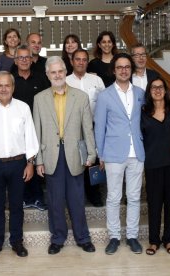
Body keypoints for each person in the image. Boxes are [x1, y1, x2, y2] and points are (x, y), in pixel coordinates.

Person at [33, 56, 96, 255]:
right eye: (53, 72)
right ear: (47, 75)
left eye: (60, 71)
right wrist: (38, 160)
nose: (57, 75)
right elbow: (37, 130)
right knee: (55, 200)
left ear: (65, 72)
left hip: (75, 154)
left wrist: (92, 154)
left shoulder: (81, 96)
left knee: (77, 199)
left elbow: (88, 128)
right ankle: (57, 238)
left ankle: (83, 238)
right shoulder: (39, 98)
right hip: (51, 155)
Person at [0, 71, 39, 259]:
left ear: (13, 87)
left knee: (17, 205)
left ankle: (17, 242)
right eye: (0, 86)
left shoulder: (23, 108)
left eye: (7, 85)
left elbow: (30, 137)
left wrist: (30, 163)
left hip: (18, 164)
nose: (4, 89)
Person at [94, 53, 145, 255]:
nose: (124, 70)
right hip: (113, 153)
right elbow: (99, 127)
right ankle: (114, 237)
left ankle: (132, 236)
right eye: (119, 67)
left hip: (137, 152)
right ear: (113, 70)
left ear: (131, 69)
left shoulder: (141, 93)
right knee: (114, 197)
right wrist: (101, 154)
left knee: (134, 197)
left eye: (127, 67)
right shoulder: (105, 95)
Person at [141, 77, 170, 256]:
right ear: (149, 91)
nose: (158, 90)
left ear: (165, 90)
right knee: (154, 204)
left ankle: (168, 240)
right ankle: (154, 241)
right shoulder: (143, 111)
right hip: (152, 164)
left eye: (161, 87)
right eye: (154, 87)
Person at [12, 45, 50, 211]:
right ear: (15, 60)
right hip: (16, 130)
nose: (24, 60)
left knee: (37, 163)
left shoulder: (41, 78)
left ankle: (38, 198)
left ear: (32, 59)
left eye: (27, 57)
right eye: (21, 57)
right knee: (21, 164)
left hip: (38, 127)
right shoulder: (10, 79)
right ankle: (25, 198)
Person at [66, 48, 105, 207]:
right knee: (76, 161)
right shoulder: (66, 81)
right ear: (71, 61)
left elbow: (103, 104)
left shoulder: (97, 81)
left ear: (87, 62)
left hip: (94, 126)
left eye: (84, 59)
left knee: (93, 160)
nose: (81, 62)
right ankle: (77, 196)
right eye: (77, 59)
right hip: (73, 128)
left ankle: (94, 195)